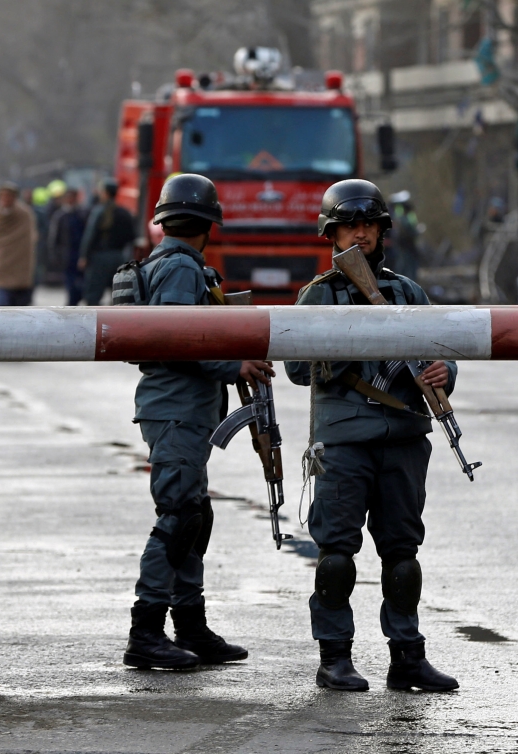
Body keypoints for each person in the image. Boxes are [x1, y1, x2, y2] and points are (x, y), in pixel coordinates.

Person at [285, 179, 459, 693]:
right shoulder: (317, 297)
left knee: (403, 556)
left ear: (383, 231)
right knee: (337, 555)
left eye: (368, 225)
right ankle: (334, 656)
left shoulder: (407, 292)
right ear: (332, 235)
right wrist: (344, 345)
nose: (360, 235)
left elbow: (443, 346)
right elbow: (297, 368)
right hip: (344, 440)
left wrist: (443, 372)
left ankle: (407, 656)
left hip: (404, 437)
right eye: (349, 227)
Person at [123, 173, 276, 670]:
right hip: (176, 409)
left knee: (194, 515)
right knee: (180, 517)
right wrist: (233, 366)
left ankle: (189, 624)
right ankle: (145, 631)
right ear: (209, 225)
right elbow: (177, 339)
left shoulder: (173, 264)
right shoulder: (183, 269)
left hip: (183, 409)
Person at [78, 177, 134, 305]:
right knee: (118, 295)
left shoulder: (98, 211)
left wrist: (83, 256)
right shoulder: (125, 213)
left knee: (93, 295)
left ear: (105, 193)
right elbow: (131, 237)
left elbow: (90, 236)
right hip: (119, 257)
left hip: (100, 259)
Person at [0, 182, 37, 306]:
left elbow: (29, 240)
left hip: (20, 268)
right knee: (0, 309)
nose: (6, 199)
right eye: (3, 196)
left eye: (9, 196)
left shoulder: (25, 214)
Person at [47, 188, 87, 305]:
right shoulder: (60, 216)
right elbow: (54, 238)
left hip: (80, 254)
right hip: (66, 255)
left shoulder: (82, 214)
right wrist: (55, 256)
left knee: (81, 283)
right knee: (70, 282)